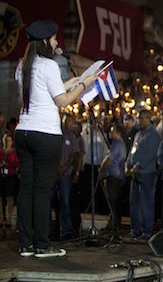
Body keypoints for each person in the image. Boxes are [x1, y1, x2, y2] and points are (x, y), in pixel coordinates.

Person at [14, 20, 97, 257]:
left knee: (26, 189)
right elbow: (62, 101)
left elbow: (55, 89)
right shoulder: (48, 64)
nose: (57, 43)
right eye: (53, 39)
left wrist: (77, 82)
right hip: (45, 134)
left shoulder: (23, 65)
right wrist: (84, 85)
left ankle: (26, 244)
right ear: (44, 42)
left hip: (23, 132)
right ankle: (42, 245)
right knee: (42, 191)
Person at [125, 109, 161, 241]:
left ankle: (147, 232)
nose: (139, 121)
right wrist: (127, 164)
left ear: (148, 118)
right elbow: (132, 150)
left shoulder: (153, 135)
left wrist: (136, 166)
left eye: (141, 119)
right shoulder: (139, 134)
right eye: (138, 119)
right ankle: (135, 230)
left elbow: (150, 154)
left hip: (146, 174)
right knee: (134, 203)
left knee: (146, 203)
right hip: (135, 174)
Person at [51, 113, 81, 240]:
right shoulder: (54, 133)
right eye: (68, 121)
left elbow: (75, 154)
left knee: (65, 202)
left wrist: (65, 168)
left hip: (66, 174)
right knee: (48, 202)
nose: (69, 124)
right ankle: (47, 229)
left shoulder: (71, 136)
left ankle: (66, 230)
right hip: (52, 174)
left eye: (71, 121)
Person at [98, 123, 127, 236]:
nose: (110, 132)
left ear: (118, 133)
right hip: (117, 175)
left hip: (114, 176)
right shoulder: (120, 144)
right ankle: (113, 224)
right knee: (114, 202)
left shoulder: (117, 144)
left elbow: (109, 159)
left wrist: (101, 169)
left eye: (112, 131)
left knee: (112, 201)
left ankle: (114, 226)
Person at [0, 134, 18, 229]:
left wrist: (9, 164)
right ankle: (2, 216)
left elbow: (16, 163)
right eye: (7, 140)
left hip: (11, 176)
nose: (8, 142)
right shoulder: (1, 152)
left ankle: (9, 216)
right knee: (2, 197)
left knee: (10, 197)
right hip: (2, 176)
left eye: (10, 140)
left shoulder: (14, 152)